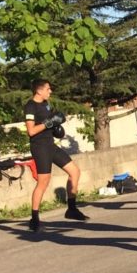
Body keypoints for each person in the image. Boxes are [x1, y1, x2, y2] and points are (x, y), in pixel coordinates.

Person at [23, 79, 88, 231]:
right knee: (43, 182)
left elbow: (51, 122)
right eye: (48, 89)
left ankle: (71, 209)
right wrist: (48, 123)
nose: (50, 91)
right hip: (40, 147)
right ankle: (34, 218)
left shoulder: (46, 104)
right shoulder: (30, 106)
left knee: (75, 172)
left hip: (50, 145)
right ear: (39, 91)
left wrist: (56, 127)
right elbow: (31, 131)